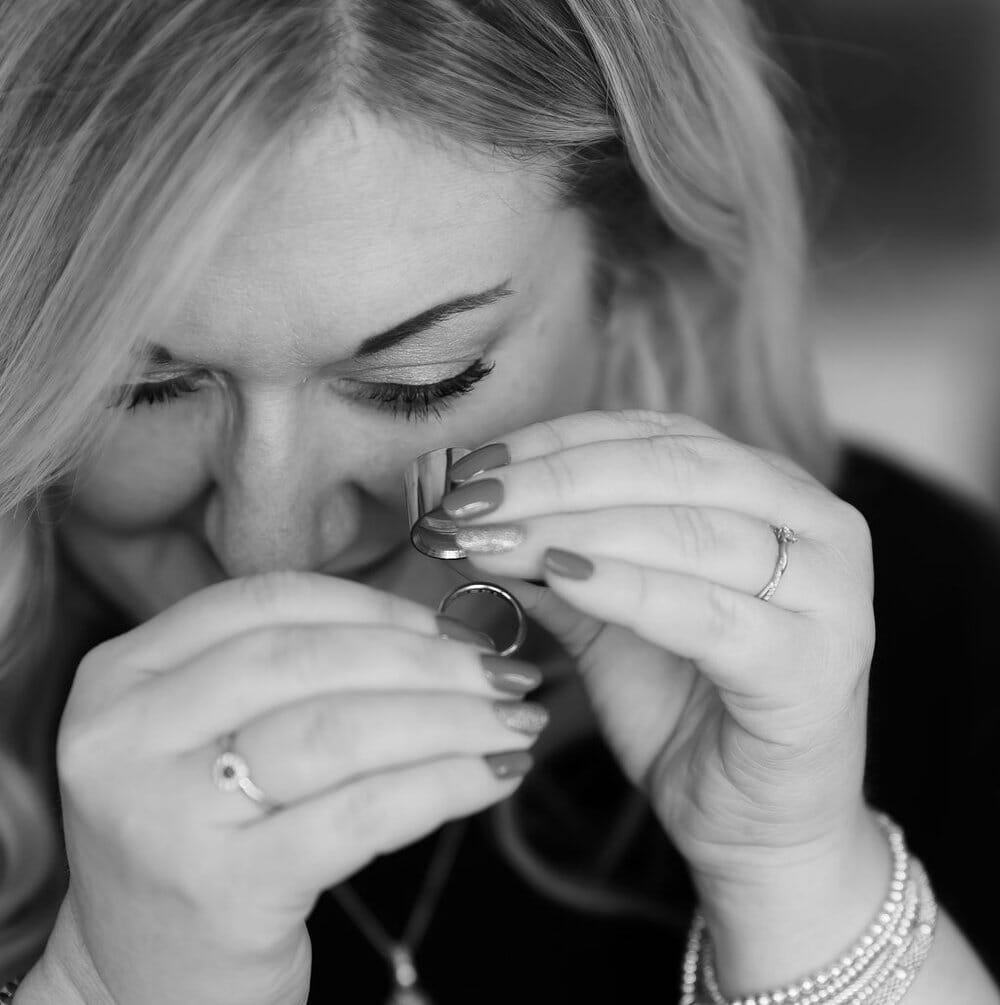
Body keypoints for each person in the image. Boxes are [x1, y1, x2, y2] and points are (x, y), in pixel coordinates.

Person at [0, 1, 997, 1002]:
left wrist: (799, 876)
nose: (269, 544)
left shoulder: (928, 626)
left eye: (418, 383)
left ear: (641, 280)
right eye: (136, 389)